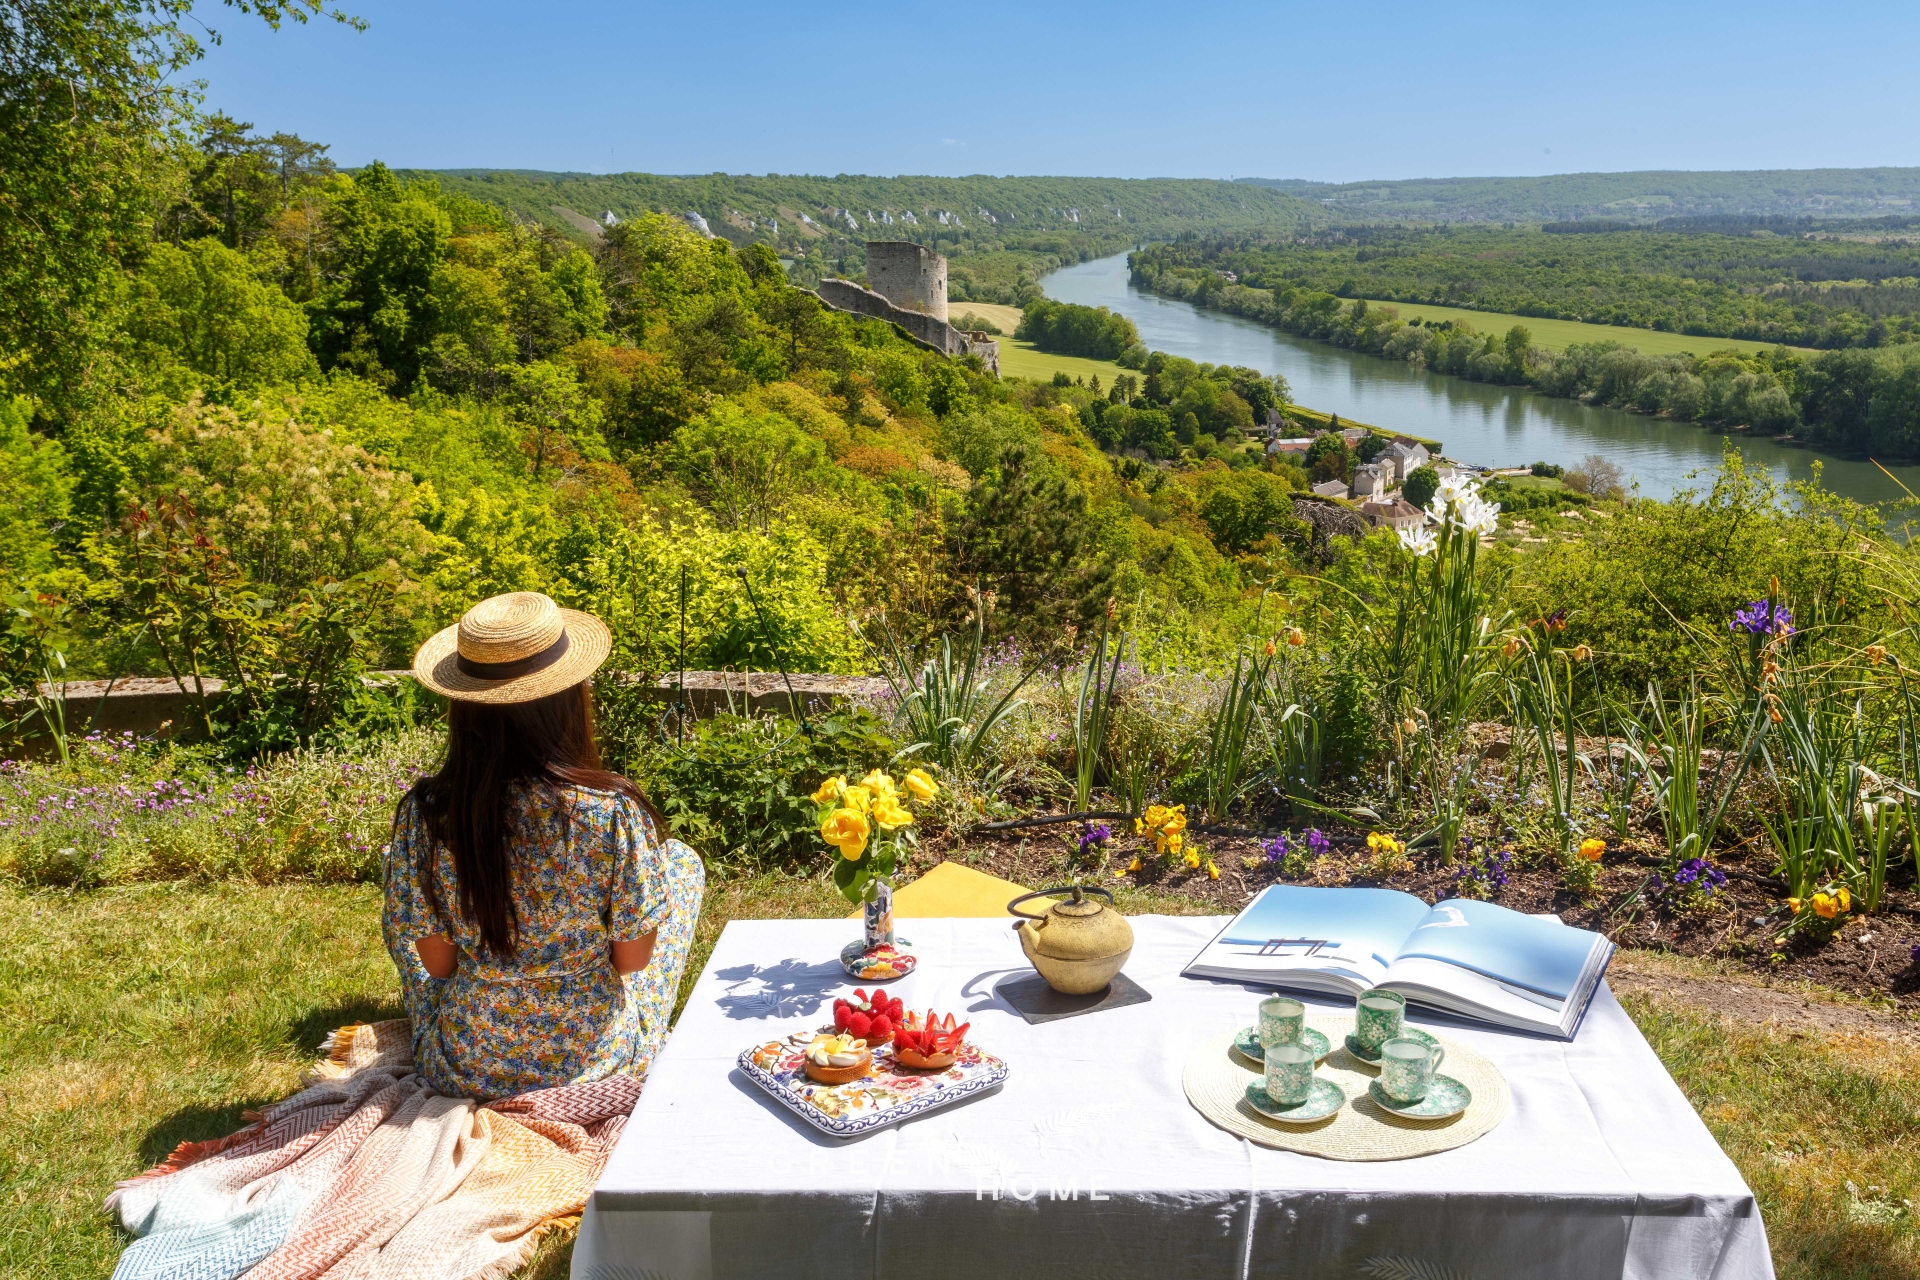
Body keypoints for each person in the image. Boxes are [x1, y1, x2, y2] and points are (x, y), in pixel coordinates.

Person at [383, 591, 704, 1100]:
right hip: (598, 1060)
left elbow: (438, 966)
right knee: (681, 863)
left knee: (405, 912)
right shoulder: (611, 811)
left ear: (463, 707)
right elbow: (632, 961)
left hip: (465, 1066)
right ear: (568, 697)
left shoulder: (427, 817)